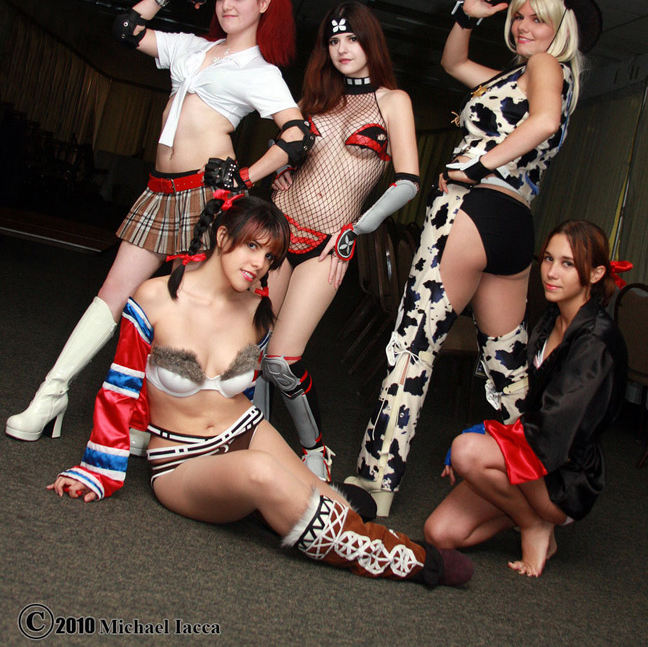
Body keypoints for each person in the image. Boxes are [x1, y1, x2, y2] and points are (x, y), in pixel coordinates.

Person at [48, 194, 473, 590]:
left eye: (270, 257)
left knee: (337, 507)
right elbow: (120, 388)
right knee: (261, 473)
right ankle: (418, 562)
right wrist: (97, 470)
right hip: (180, 459)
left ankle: (284, 510)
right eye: (252, 247)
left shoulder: (257, 311)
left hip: (245, 428)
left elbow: (253, 391)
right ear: (222, 236)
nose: (260, 265)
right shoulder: (154, 297)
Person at [6, 0, 314, 446]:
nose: (227, 5)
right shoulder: (190, 47)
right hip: (159, 190)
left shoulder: (261, 71)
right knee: (113, 292)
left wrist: (247, 175)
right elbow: (127, 29)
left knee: (183, 307)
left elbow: (298, 136)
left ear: (264, 4)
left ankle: (151, 421)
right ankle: (51, 396)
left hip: (207, 195)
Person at [346, 0, 602, 515]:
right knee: (508, 370)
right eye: (519, 17)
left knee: (414, 345)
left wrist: (477, 166)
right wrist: (467, 16)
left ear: (561, 28)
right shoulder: (532, 76)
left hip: (471, 209)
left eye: (538, 19)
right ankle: (538, 493)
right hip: (514, 224)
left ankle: (376, 482)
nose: (523, 27)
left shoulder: (544, 67)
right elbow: (454, 63)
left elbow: (541, 122)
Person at [263, 3, 420, 480]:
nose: (342, 48)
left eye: (351, 38)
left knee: (281, 360)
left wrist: (358, 228)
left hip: (330, 244)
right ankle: (250, 439)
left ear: (371, 41)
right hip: (278, 229)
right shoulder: (316, 97)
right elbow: (290, 148)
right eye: (333, 41)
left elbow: (408, 181)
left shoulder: (393, 101)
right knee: (249, 349)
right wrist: (282, 170)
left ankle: (315, 451)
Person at [424, 219, 628, 577]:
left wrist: (483, 443)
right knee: (439, 533)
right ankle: (526, 514)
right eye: (548, 259)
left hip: (564, 476)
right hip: (532, 455)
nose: (551, 272)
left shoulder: (596, 341)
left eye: (567, 264)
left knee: (466, 451)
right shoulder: (552, 319)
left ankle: (534, 524)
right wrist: (485, 436)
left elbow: (555, 433)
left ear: (596, 274)